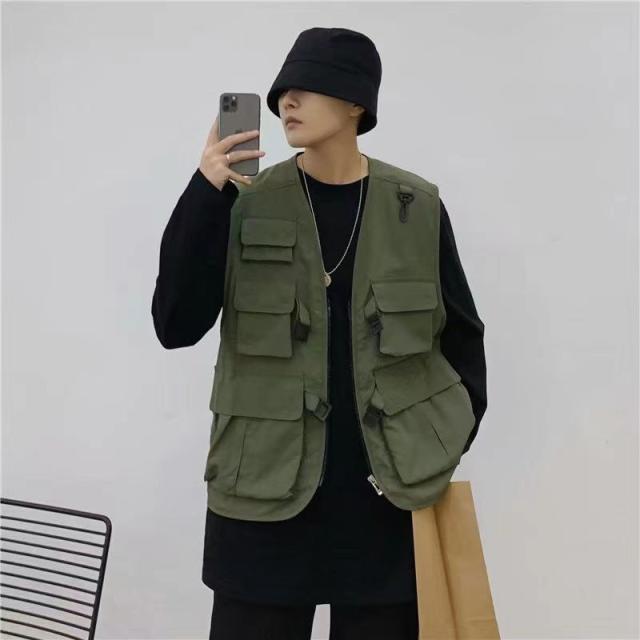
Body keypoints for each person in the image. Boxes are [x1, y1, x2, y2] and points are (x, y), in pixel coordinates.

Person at [152, 27, 487, 640]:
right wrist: (206, 191)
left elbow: (462, 337)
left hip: (386, 497)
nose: (287, 102)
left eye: (306, 88)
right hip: (263, 493)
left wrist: (439, 444)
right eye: (282, 92)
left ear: (357, 103)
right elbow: (174, 325)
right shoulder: (242, 200)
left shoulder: (415, 206)